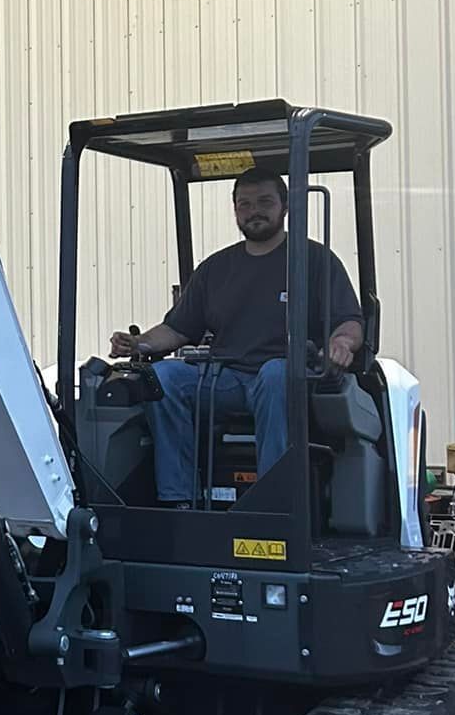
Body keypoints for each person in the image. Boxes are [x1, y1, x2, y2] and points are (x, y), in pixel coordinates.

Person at [109, 167, 363, 506]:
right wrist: (139, 343)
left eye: (264, 202)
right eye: (244, 204)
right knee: (162, 378)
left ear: (285, 207)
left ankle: (276, 502)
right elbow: (178, 328)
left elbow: (349, 321)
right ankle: (177, 497)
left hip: (290, 378)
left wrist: (341, 343)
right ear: (235, 211)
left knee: (275, 374)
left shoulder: (315, 261)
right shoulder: (216, 269)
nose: (254, 210)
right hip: (225, 378)